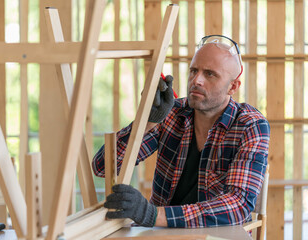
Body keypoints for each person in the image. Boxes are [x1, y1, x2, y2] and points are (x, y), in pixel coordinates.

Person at [92, 35, 270, 228]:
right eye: (194, 70)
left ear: (233, 86)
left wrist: (152, 215)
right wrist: (147, 122)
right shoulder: (170, 113)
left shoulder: (250, 125)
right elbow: (102, 167)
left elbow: (238, 205)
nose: (197, 80)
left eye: (210, 74)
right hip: (163, 233)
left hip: (218, 235)